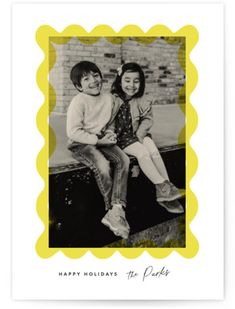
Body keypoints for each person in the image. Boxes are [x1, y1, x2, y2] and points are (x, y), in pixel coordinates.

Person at [66, 61, 130, 239]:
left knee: (123, 160)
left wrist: (109, 134)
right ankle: (111, 211)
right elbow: (73, 131)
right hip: (81, 143)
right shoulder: (78, 102)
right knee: (102, 165)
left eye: (95, 75)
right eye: (86, 79)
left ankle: (117, 208)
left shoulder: (108, 98)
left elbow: (110, 122)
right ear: (79, 87)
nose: (93, 80)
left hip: (101, 139)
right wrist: (97, 141)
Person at [110, 62, 184, 214]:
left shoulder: (143, 99)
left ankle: (166, 193)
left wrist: (140, 135)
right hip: (121, 138)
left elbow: (147, 119)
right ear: (120, 81)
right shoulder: (112, 99)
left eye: (136, 81)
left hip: (138, 133)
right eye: (127, 80)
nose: (132, 85)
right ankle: (163, 187)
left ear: (142, 83)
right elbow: (107, 121)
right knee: (143, 152)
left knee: (151, 147)